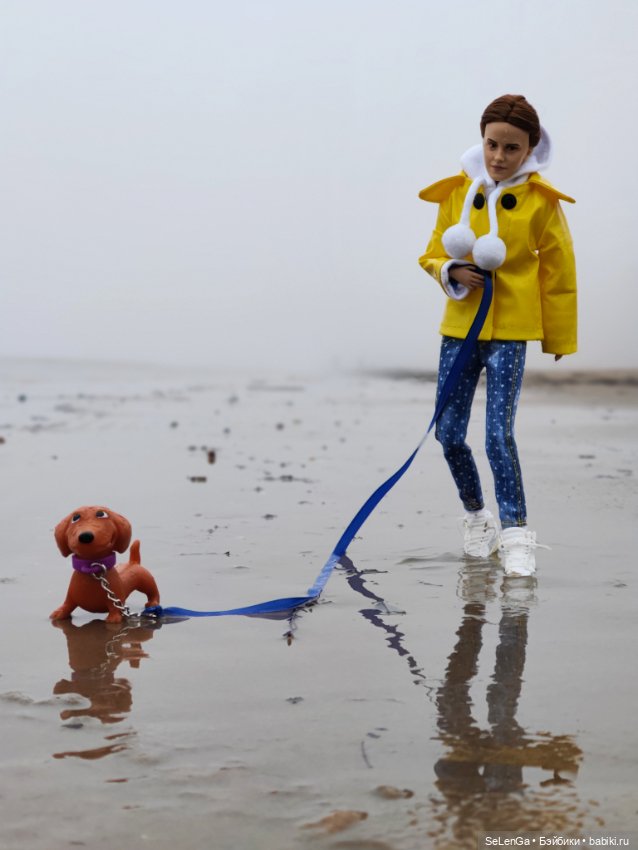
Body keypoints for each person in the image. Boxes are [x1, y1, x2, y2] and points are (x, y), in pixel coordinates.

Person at [418, 94, 577, 576]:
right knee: (448, 433)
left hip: (511, 333)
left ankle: (515, 534)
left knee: (498, 436)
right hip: (459, 332)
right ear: (482, 140)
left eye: (512, 148)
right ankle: (476, 517)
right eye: (492, 144)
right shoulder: (455, 193)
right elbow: (429, 254)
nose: (500, 157)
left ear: (530, 149)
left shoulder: (541, 204)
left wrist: (557, 337)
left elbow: (559, 270)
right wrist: (450, 269)